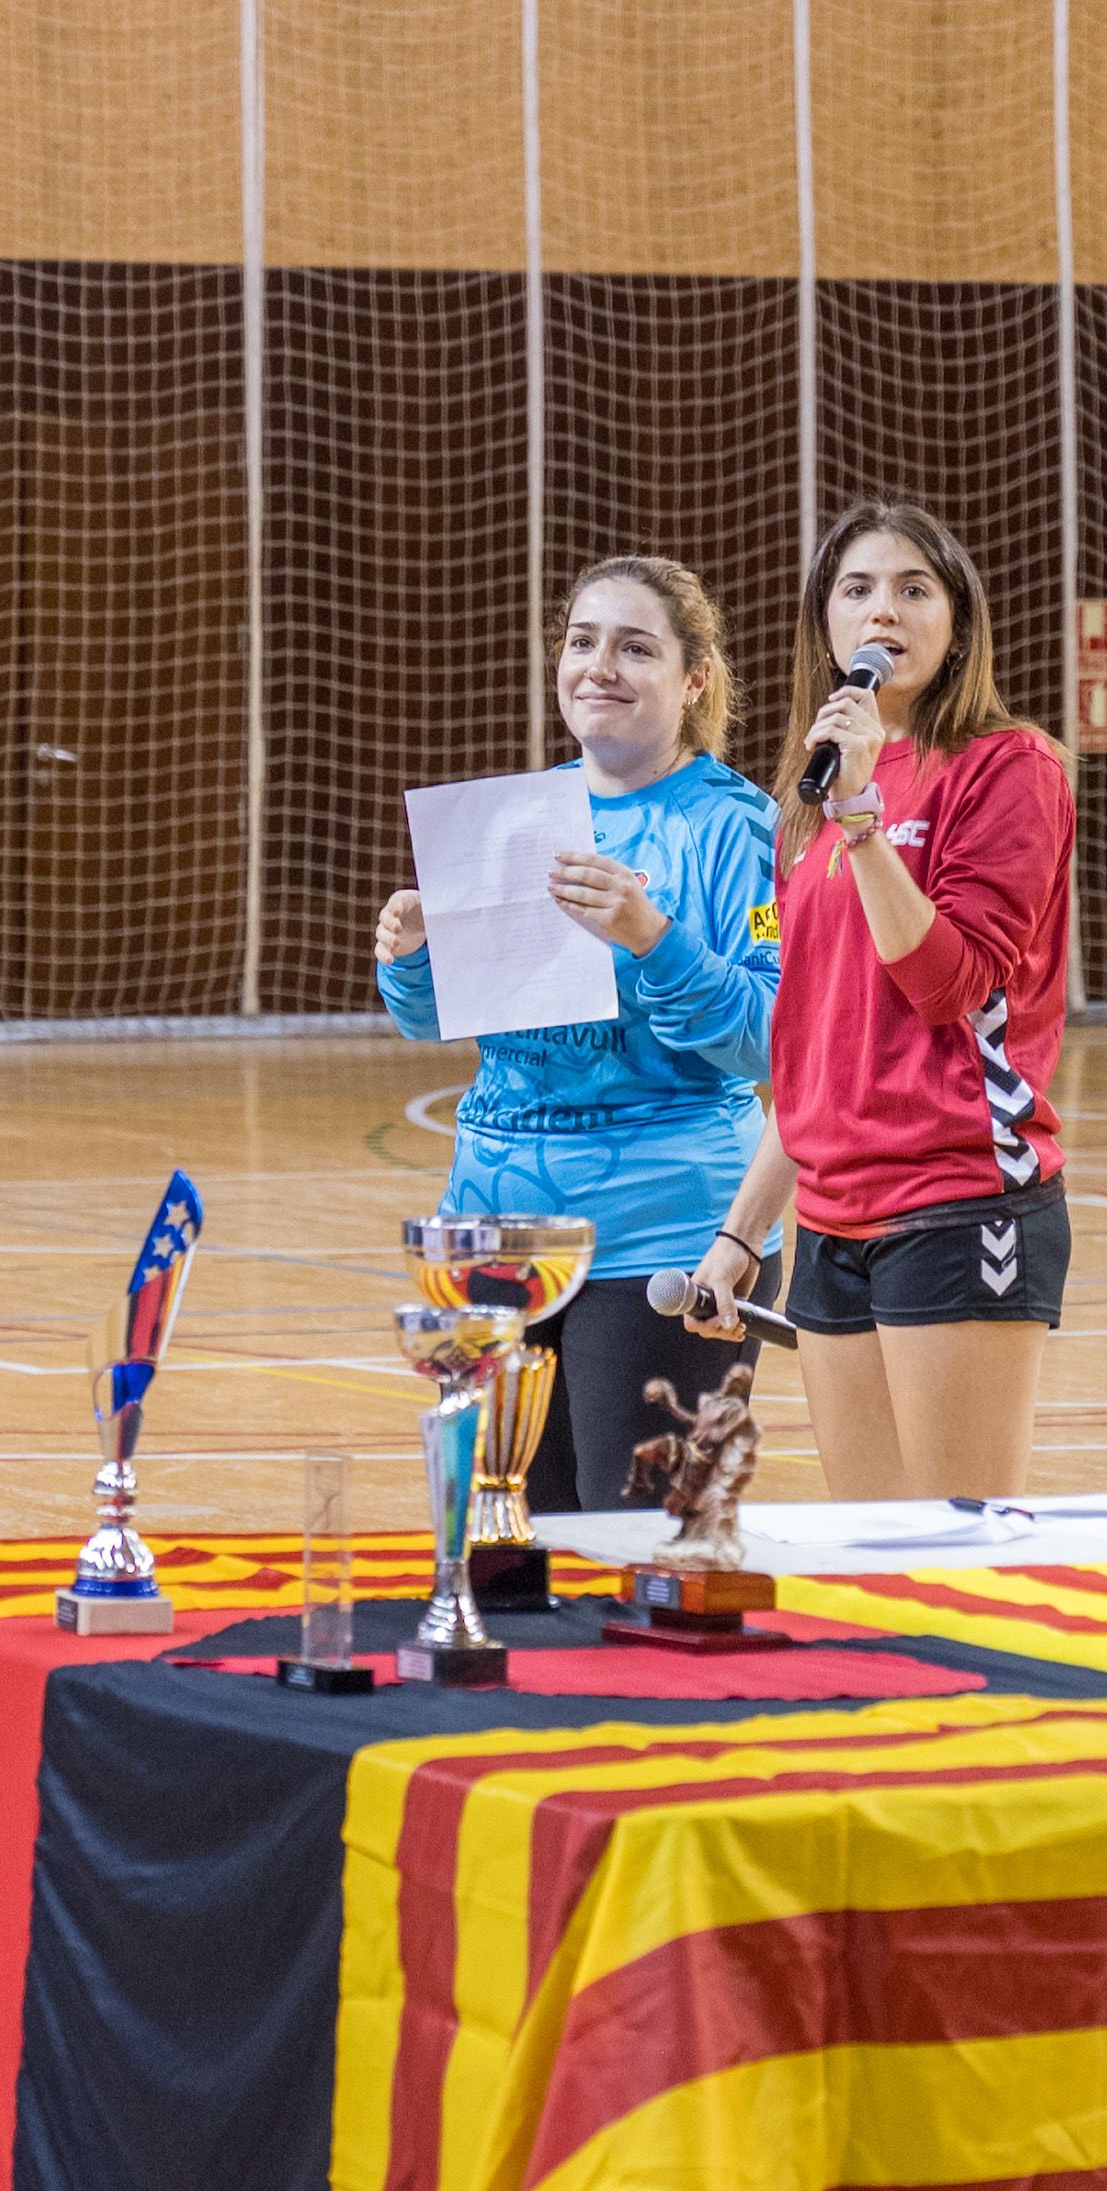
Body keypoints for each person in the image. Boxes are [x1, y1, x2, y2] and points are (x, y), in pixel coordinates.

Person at [375, 556, 784, 1511]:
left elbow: (776, 1039)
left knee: (642, 1553)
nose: (599, 665)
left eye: (635, 647)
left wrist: (654, 939)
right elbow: (447, 1021)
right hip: (493, 1219)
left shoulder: (736, 830)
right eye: (582, 642)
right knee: (499, 1557)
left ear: (694, 681)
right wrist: (414, 957)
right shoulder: (517, 816)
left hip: (662, 1231)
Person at [685, 501, 1076, 1500]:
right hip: (830, 1217)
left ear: (957, 624)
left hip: (955, 1202)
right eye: (856, 589)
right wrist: (741, 1235)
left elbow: (948, 984)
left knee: (956, 1549)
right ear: (825, 622)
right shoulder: (805, 809)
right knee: (869, 1554)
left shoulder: (1006, 768)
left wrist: (863, 823)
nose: (882, 612)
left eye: (912, 589)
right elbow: (807, 1048)